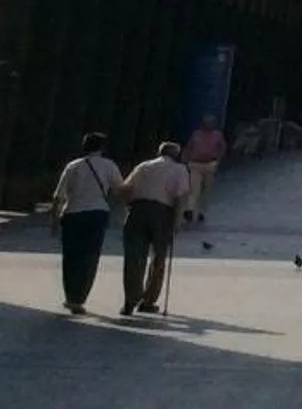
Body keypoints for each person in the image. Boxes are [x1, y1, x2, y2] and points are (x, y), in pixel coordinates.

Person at [49, 133, 122, 315]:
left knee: (71, 256)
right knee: (90, 256)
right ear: (102, 148)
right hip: (97, 214)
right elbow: (121, 189)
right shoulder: (109, 165)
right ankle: (80, 298)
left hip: (72, 214)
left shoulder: (73, 166)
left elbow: (58, 196)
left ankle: (70, 296)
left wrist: (54, 221)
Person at [119, 141, 189, 317]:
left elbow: (125, 188)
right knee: (158, 257)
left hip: (138, 210)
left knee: (134, 257)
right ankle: (148, 300)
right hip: (162, 213)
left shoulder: (143, 166)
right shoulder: (180, 169)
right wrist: (177, 221)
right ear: (176, 155)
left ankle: (130, 300)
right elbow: (180, 197)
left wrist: (129, 206)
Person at [180, 114, 227, 224]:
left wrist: (217, 161)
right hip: (195, 164)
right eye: (207, 122)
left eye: (211, 122)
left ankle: (202, 212)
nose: (209, 124)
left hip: (210, 164)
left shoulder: (217, 135)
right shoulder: (196, 134)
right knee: (194, 188)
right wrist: (185, 159)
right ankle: (190, 209)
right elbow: (189, 146)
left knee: (206, 190)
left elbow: (223, 148)